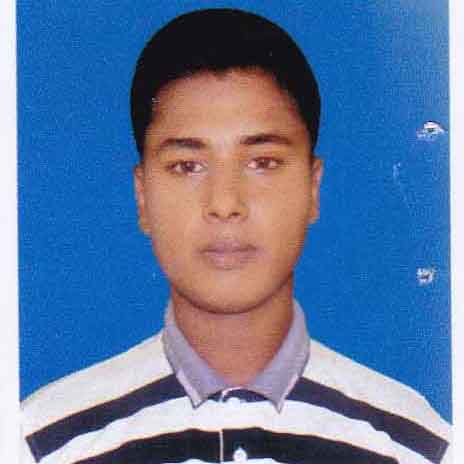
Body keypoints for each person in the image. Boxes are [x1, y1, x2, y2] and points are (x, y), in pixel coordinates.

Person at [21, 8, 451, 464]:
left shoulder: (414, 445)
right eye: (187, 166)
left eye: (262, 163)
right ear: (142, 196)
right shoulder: (44, 442)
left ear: (313, 189)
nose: (225, 204)